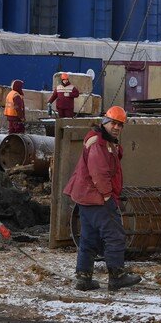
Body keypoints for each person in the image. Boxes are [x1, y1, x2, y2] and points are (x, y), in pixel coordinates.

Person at [62, 105, 142, 292]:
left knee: (89, 238)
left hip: (85, 197)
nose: (117, 127)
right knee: (114, 235)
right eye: (113, 123)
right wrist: (107, 196)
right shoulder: (99, 143)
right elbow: (99, 172)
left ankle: (83, 278)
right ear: (105, 122)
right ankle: (117, 277)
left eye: (120, 125)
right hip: (97, 197)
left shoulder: (103, 141)